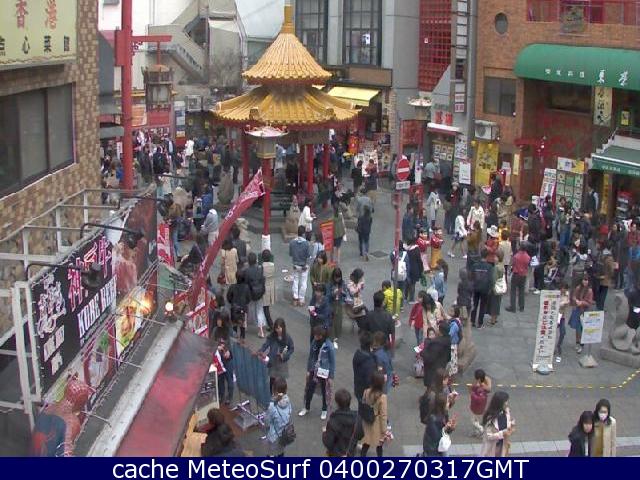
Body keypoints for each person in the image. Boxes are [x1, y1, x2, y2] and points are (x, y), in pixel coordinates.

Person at [299, 326, 336, 421]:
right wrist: (308, 370)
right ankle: (306, 407)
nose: (315, 337)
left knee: (325, 391)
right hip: (314, 369)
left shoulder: (329, 346)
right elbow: (311, 356)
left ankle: (324, 409)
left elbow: (332, 362)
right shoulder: (314, 342)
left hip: (324, 371)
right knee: (309, 388)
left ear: (321, 335)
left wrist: (331, 376)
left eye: (316, 335)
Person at [258, 318, 294, 393]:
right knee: (272, 379)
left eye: (279, 328)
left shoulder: (287, 337)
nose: (277, 330)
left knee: (281, 381)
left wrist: (285, 355)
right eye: (276, 328)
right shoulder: (272, 336)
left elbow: (291, 348)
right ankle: (271, 394)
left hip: (282, 361)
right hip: (273, 360)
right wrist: (261, 351)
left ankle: (281, 394)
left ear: (283, 327)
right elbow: (266, 344)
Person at [322, 389, 361, 457]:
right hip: (350, 451)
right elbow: (360, 434)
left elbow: (328, 443)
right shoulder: (357, 417)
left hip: (336, 453)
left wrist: (324, 433)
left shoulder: (333, 421)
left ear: (337, 403)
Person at [360, 371, 388, 457]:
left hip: (367, 421)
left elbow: (363, 403)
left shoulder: (366, 392)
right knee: (379, 445)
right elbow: (383, 415)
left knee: (366, 443)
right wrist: (384, 430)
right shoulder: (382, 397)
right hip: (377, 423)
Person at [480, 391, 515, 457]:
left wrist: (511, 425)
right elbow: (489, 436)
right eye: (506, 401)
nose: (507, 403)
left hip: (503, 444)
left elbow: (508, 422)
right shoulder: (490, 418)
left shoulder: (506, 411)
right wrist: (502, 433)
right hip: (492, 447)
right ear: (500, 403)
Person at [265, 378, 293, 457]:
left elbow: (267, 422)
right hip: (284, 434)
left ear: (274, 391)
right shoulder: (288, 401)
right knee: (281, 452)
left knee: (271, 453)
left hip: (273, 436)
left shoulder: (272, 406)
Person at [422, 393, 456, 457]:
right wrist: (446, 428)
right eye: (447, 402)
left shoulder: (444, 413)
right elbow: (436, 437)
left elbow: (445, 431)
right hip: (433, 449)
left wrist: (450, 428)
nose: (448, 404)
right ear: (442, 405)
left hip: (440, 447)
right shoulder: (432, 419)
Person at [470, 248, 495, 328]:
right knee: (483, 306)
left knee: (475, 304)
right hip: (485, 288)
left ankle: (472, 321)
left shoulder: (475, 265)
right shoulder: (489, 267)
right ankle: (480, 323)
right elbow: (491, 279)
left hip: (476, 287)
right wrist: (490, 288)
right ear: (487, 256)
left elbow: (471, 277)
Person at [569, 275, 594, 354]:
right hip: (577, 310)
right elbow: (574, 296)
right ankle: (577, 342)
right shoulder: (578, 288)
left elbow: (589, 303)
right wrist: (576, 301)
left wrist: (582, 302)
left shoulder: (589, 291)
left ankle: (581, 345)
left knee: (583, 328)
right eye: (584, 280)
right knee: (577, 327)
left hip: (585, 311)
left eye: (586, 280)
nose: (585, 281)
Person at [422, 323, 452, 388]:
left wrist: (423, 352)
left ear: (440, 331)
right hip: (442, 366)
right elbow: (449, 357)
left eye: (438, 328)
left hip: (433, 369)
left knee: (432, 386)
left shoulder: (437, 343)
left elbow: (430, 358)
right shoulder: (448, 340)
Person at [245, 252, 267, 338]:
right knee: (259, 310)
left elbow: (246, 283)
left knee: (249, 309)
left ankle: (245, 325)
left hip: (251, 294)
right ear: (256, 260)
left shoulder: (247, 271)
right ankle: (261, 330)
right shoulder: (260, 269)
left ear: (248, 261)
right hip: (259, 292)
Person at [352, 331, 377, 402]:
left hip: (358, 388)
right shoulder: (369, 361)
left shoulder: (357, 354)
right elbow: (369, 380)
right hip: (366, 394)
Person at [289, 226, 311, 306]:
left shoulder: (292, 242)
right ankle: (301, 299)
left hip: (295, 265)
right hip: (304, 265)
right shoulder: (307, 244)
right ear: (304, 233)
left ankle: (295, 298)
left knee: (295, 281)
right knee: (303, 282)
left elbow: (291, 254)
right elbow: (308, 256)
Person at [506, 245, 530, 313]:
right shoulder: (528, 257)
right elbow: (527, 266)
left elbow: (512, 264)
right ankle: (521, 306)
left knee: (513, 291)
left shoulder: (516, 256)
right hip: (523, 275)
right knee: (521, 291)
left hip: (516, 274)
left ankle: (513, 307)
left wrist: (509, 270)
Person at [226, 270, 251, 340]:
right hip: (243, 309)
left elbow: (228, 297)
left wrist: (232, 302)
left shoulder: (232, 286)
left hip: (234, 309)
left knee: (234, 326)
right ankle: (242, 339)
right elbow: (249, 299)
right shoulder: (246, 287)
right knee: (242, 326)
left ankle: (235, 339)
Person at [469, 369, 492, 437]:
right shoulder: (483, 384)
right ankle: (476, 432)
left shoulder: (481, 388)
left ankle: (481, 429)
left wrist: (472, 393)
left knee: (474, 421)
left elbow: (478, 398)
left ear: (478, 379)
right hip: (480, 406)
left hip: (476, 407)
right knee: (476, 420)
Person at [327, 267, 346, 350]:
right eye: (336, 277)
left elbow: (345, 294)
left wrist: (342, 292)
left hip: (339, 304)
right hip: (332, 304)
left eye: (339, 277)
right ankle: (331, 339)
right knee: (332, 322)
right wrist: (333, 293)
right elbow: (327, 296)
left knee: (338, 322)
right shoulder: (329, 284)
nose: (337, 279)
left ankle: (336, 337)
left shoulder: (342, 283)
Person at [594, 241, 616, 311]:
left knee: (599, 292)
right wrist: (611, 276)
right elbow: (611, 270)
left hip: (598, 276)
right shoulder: (609, 258)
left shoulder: (600, 254)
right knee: (603, 294)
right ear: (611, 248)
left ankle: (597, 305)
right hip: (605, 279)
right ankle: (600, 308)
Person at [213, 339, 234, 405]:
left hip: (227, 362)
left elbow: (228, 341)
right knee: (220, 381)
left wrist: (228, 350)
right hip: (219, 361)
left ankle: (229, 397)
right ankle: (221, 396)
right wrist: (216, 347)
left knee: (230, 381)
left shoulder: (226, 334)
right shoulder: (214, 333)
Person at [554, 283, 571, 363]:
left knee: (563, 332)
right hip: (555, 315)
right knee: (553, 332)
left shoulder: (566, 294)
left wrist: (565, 302)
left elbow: (567, 303)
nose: (563, 290)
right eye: (562, 288)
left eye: (565, 288)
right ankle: (552, 347)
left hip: (562, 316)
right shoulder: (556, 294)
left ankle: (559, 345)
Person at [488, 249, 506, 326]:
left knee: (494, 303)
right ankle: (495, 318)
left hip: (495, 288)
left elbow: (494, 278)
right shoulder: (502, 265)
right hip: (500, 287)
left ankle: (492, 319)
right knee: (498, 303)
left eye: (495, 256)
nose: (494, 258)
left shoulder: (496, 267)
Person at [405, 237, 424, 304]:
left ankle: (405, 297)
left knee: (406, 283)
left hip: (407, 268)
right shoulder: (416, 250)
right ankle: (411, 299)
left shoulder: (406, 250)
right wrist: (421, 270)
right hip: (414, 269)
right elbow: (419, 261)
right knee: (412, 284)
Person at [261, 250, 276, 331]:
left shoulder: (262, 267)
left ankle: (271, 324)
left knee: (265, 308)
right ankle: (270, 324)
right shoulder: (272, 265)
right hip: (271, 287)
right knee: (267, 307)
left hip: (265, 287)